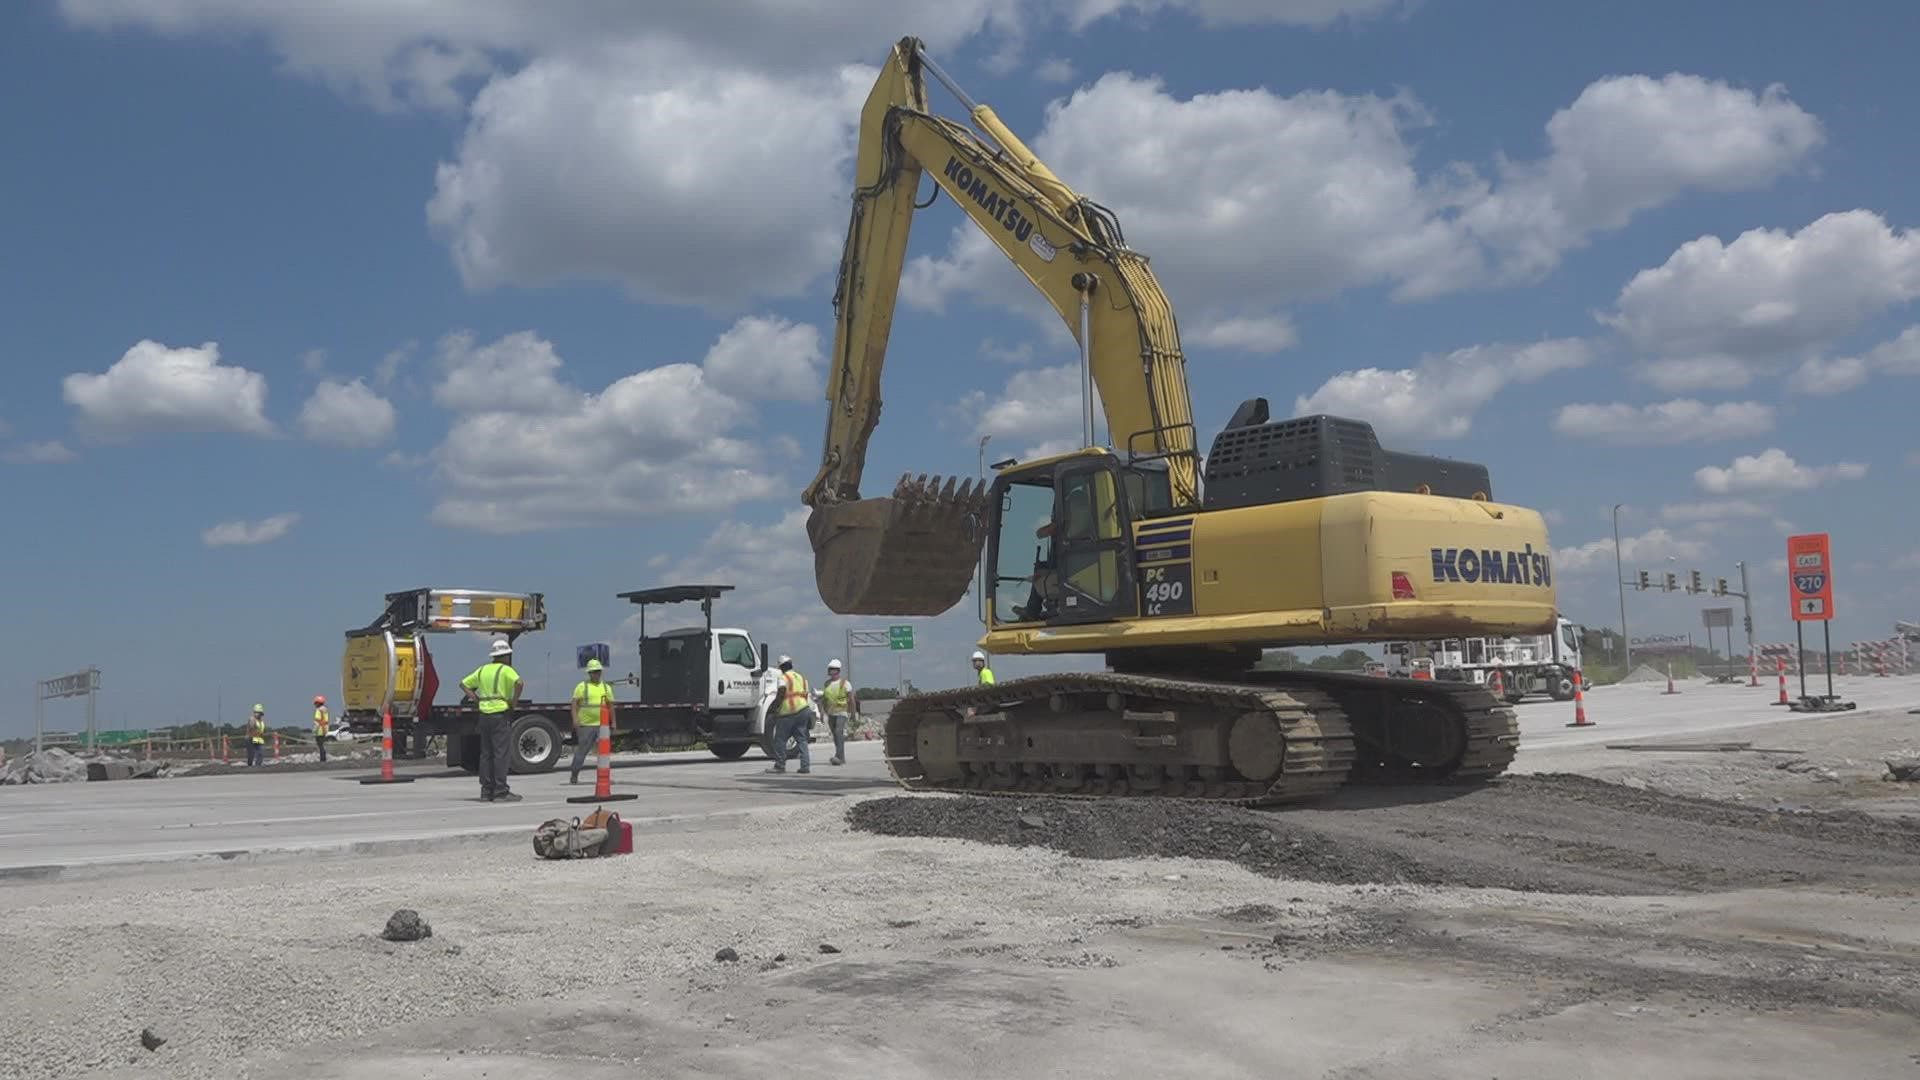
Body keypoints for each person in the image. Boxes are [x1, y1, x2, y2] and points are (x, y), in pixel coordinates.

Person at [460, 638, 524, 802]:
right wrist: (514, 702)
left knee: (486, 754)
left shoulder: (482, 670)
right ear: (505, 656)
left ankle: (486, 791)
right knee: (500, 754)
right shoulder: (506, 670)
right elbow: (519, 682)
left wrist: (475, 698)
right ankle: (501, 791)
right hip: (500, 714)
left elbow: (463, 684)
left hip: (484, 715)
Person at [568, 658, 616, 784]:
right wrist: (575, 719)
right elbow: (574, 705)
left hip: (603, 726)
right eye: (594, 671)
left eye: (598, 671)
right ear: (589, 673)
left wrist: (614, 722)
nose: (597, 673)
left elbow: (611, 706)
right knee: (582, 751)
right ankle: (574, 774)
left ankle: (604, 777)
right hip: (586, 725)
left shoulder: (606, 687)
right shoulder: (582, 687)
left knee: (604, 753)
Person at [765, 655, 813, 774]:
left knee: (780, 739)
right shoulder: (801, 678)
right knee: (801, 739)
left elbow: (781, 693)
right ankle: (805, 766)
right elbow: (806, 695)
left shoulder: (783, 677)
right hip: (803, 709)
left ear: (781, 667)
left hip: (789, 712)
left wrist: (774, 708)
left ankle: (780, 765)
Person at [816, 659, 857, 766]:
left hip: (842, 713)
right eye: (829, 669)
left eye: (832, 669)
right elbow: (824, 699)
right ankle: (841, 757)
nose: (829, 671)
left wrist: (853, 714)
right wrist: (821, 712)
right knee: (835, 735)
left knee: (839, 732)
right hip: (831, 713)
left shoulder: (845, 683)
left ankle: (838, 756)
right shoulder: (827, 684)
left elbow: (851, 700)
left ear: (837, 670)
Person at [311, 695, 330, 763]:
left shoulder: (318, 710)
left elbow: (317, 722)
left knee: (320, 746)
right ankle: (323, 758)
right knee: (322, 745)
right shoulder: (325, 710)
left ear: (318, 703)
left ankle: (322, 759)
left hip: (319, 730)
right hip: (325, 730)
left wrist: (314, 731)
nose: (315, 704)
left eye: (315, 703)